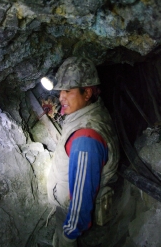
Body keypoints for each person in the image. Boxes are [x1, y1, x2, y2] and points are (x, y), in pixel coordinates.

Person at [47, 56, 119, 247]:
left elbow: (81, 202)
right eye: (61, 90)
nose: (61, 96)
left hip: (76, 224)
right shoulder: (93, 109)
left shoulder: (86, 140)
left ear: (87, 93)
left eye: (68, 91)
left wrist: (68, 235)